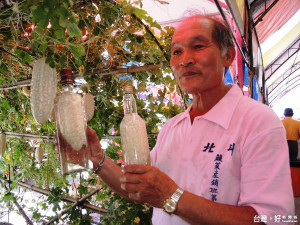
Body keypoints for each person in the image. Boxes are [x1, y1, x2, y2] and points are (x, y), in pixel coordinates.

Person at [71, 14, 295, 225]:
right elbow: (139, 188)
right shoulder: (172, 127)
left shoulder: (257, 121)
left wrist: (171, 196)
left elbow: (271, 219)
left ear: (228, 55)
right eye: (176, 51)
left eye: (198, 47)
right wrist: (95, 159)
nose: (185, 60)